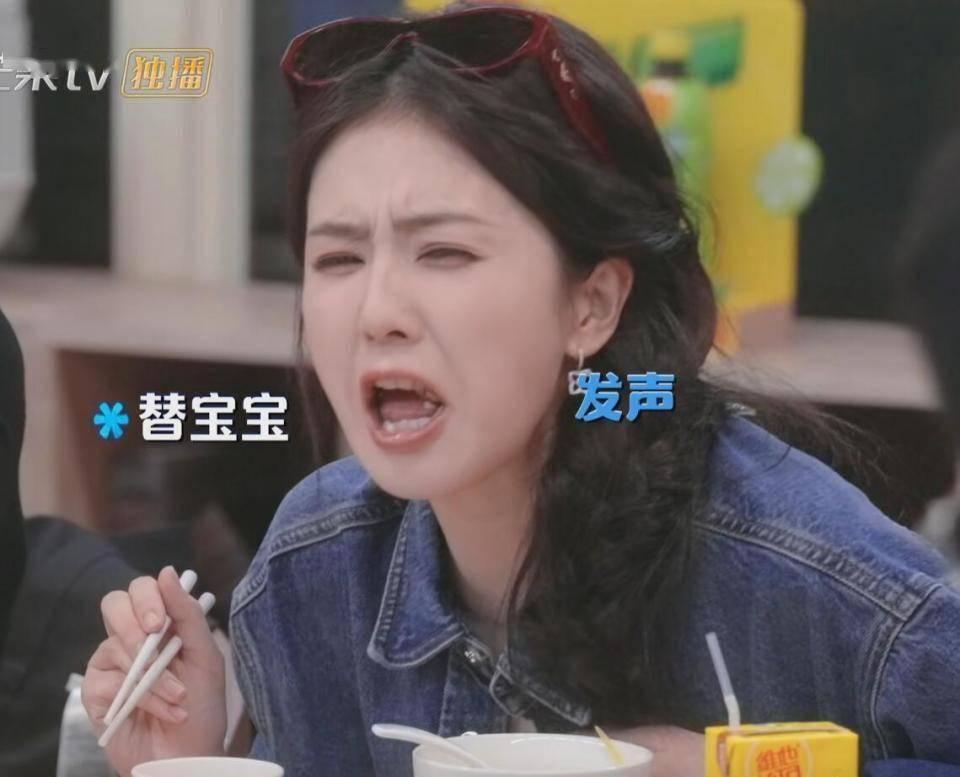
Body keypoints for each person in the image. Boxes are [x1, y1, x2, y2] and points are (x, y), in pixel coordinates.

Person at [81, 5, 960, 777]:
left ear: (593, 303)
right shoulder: (314, 568)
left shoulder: (810, 571)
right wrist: (194, 757)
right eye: (338, 258)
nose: (376, 312)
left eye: (445, 253)